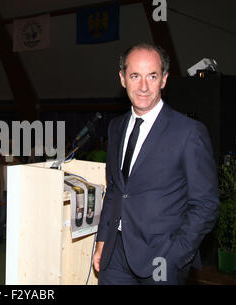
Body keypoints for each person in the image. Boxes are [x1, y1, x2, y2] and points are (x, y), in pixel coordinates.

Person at [93, 43, 219, 285]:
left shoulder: (189, 132)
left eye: (152, 76)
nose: (143, 86)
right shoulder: (116, 127)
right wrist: (102, 243)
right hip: (115, 255)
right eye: (135, 76)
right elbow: (115, 191)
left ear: (164, 80)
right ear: (122, 79)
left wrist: (175, 255)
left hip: (162, 260)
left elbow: (206, 204)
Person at [0, 154, 20, 243]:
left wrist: (14, 160)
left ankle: (13, 236)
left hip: (14, 194)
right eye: (3, 157)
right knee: (2, 217)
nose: (5, 158)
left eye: (7, 157)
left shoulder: (16, 166)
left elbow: (22, 165)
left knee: (13, 216)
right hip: (4, 194)